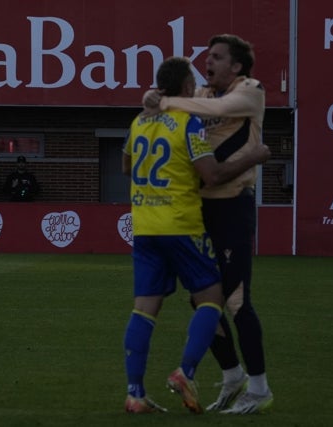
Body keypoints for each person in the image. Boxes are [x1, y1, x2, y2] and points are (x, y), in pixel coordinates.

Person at [122, 56, 270, 415]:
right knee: (211, 298)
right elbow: (212, 175)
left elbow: (126, 166)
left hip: (144, 226)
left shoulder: (139, 121)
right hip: (181, 224)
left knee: (143, 310)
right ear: (187, 87)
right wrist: (254, 157)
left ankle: (135, 394)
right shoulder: (187, 123)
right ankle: (186, 372)